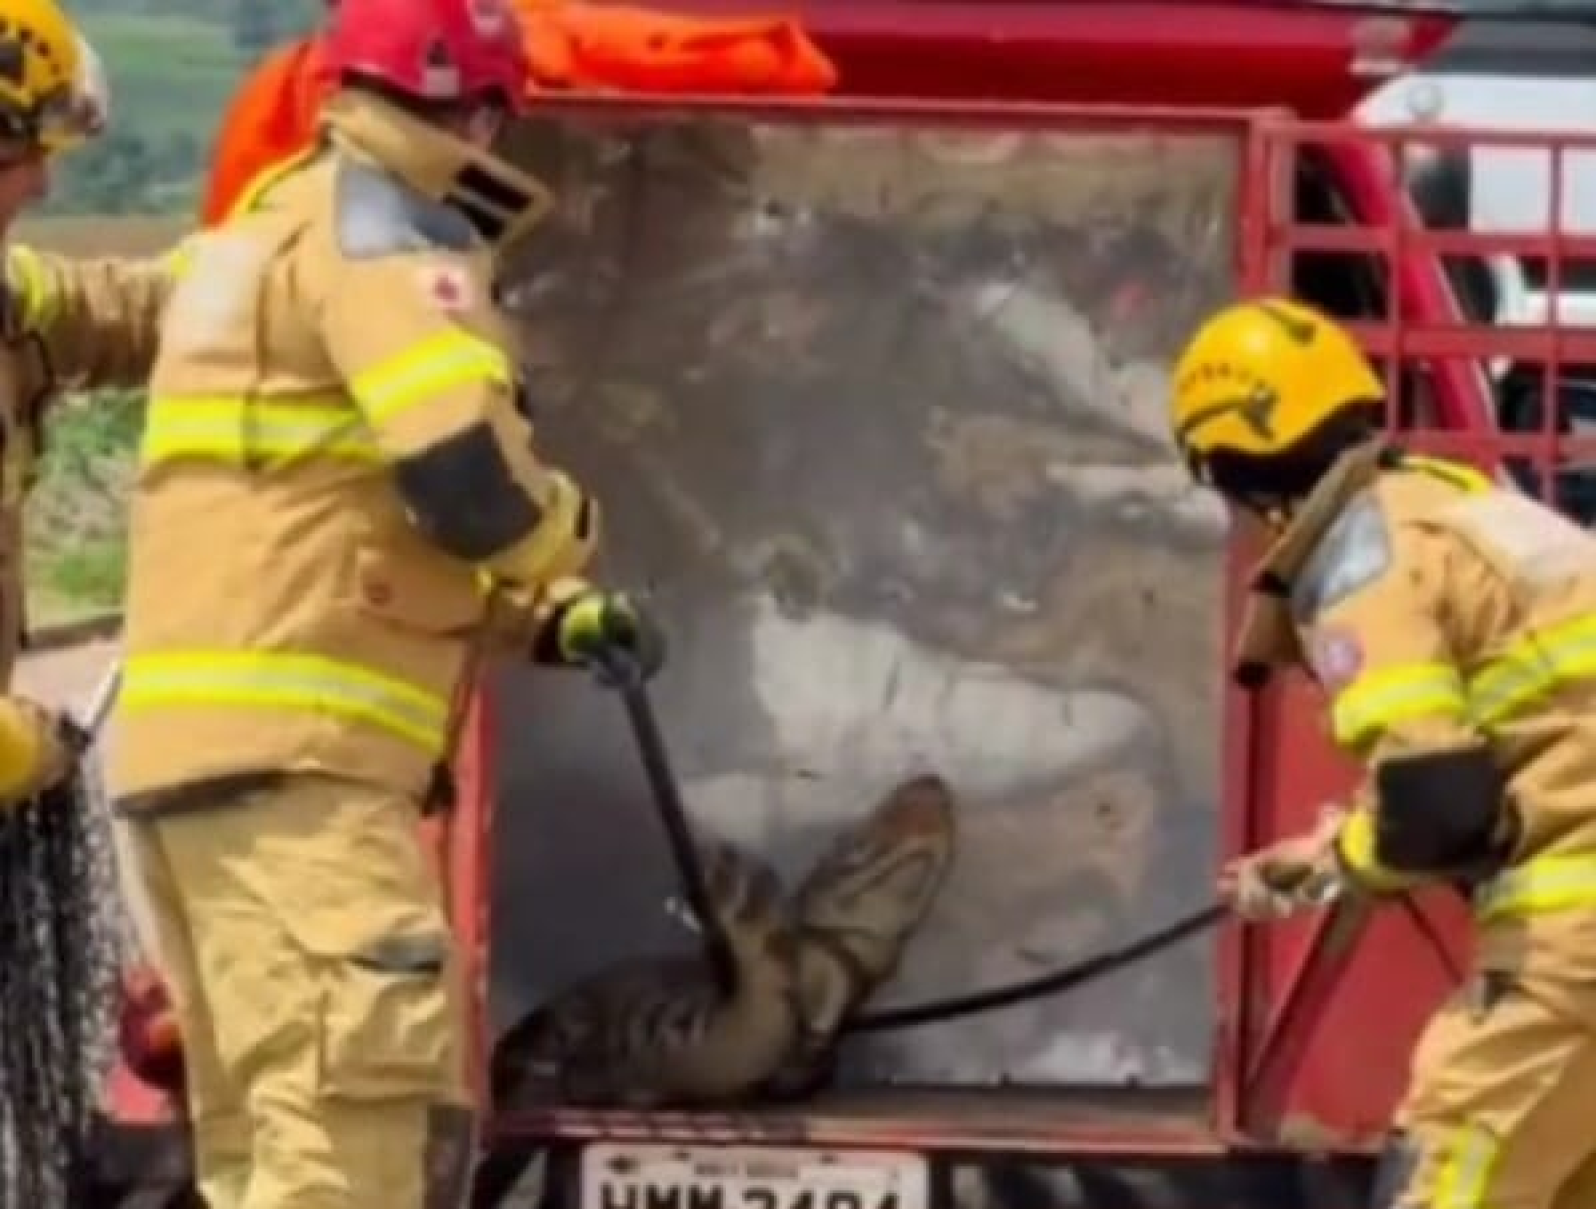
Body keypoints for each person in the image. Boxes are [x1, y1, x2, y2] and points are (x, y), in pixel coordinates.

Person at [105, 0, 664, 1204]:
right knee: (353, 1152)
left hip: (200, 780)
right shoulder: (394, 240)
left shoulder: (265, 230)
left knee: (270, 1156)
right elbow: (466, 481)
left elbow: (332, 527)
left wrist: (542, 623)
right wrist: (573, 539)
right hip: (304, 793)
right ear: (476, 103)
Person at [1169, 296, 1596, 1209]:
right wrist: (1322, 860)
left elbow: (1439, 806)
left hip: (1575, 952)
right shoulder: (1460, 508)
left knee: (1450, 1176)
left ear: (1232, 467)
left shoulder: (1363, 556)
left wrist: (1346, 860)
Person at [0, 0, 176, 808]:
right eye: (22, 150)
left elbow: (119, 310)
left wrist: (265, 270)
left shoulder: (10, 300)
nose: (43, 179)